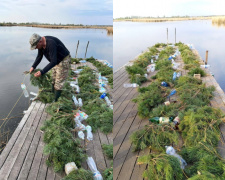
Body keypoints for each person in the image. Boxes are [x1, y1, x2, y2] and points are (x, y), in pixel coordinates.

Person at [29, 33, 71, 102]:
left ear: (40, 41)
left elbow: (53, 62)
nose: (35, 48)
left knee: (58, 82)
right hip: (55, 60)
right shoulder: (41, 44)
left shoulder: (51, 43)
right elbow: (39, 56)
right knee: (53, 79)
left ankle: (56, 102)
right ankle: (52, 95)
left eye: (36, 46)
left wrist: (42, 72)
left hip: (63, 60)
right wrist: (33, 67)